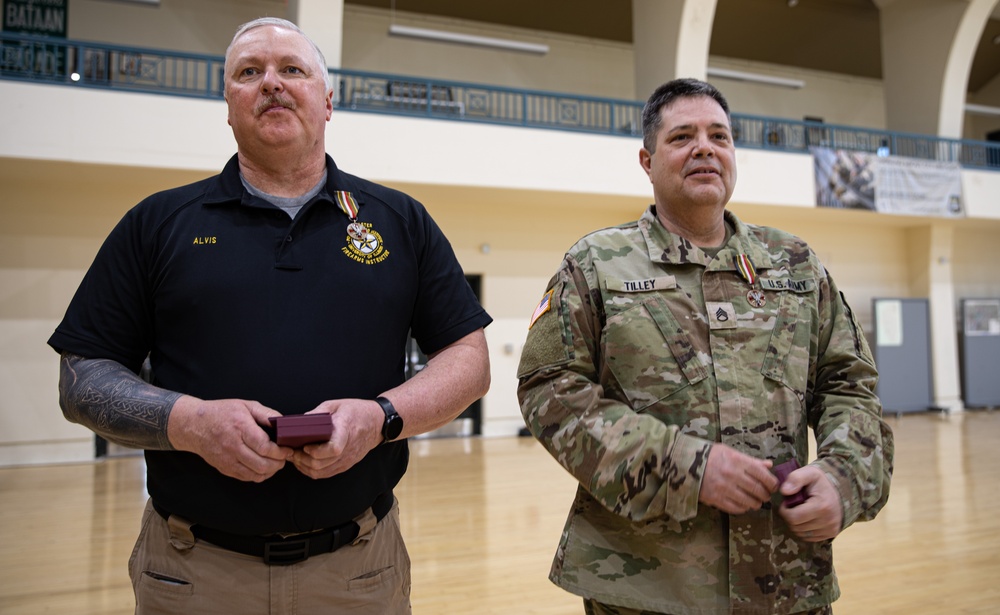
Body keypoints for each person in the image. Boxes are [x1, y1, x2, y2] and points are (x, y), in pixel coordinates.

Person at [48, 17, 491, 615]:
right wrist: (189, 422)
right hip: (192, 572)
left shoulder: (399, 220)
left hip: (360, 570)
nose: (271, 84)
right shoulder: (157, 224)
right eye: (249, 72)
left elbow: (468, 358)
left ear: (328, 100)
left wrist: (381, 417)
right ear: (227, 104)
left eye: (292, 70)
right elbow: (82, 377)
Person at [516, 78, 893, 615]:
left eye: (720, 135)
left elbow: (850, 384)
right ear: (647, 160)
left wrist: (845, 477)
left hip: (785, 583)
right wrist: (682, 466)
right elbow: (549, 392)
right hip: (650, 588)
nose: (705, 148)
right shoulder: (598, 264)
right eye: (682, 137)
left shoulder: (796, 265)